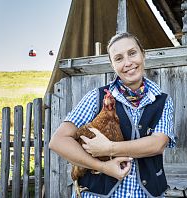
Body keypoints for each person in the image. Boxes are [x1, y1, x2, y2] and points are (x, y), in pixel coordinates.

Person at [49, 32, 176, 198]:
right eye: (118, 58)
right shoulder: (97, 98)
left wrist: (108, 148)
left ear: (143, 54)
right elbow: (58, 141)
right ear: (112, 65)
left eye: (132, 53)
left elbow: (157, 144)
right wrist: (103, 167)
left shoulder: (162, 100)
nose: (128, 62)